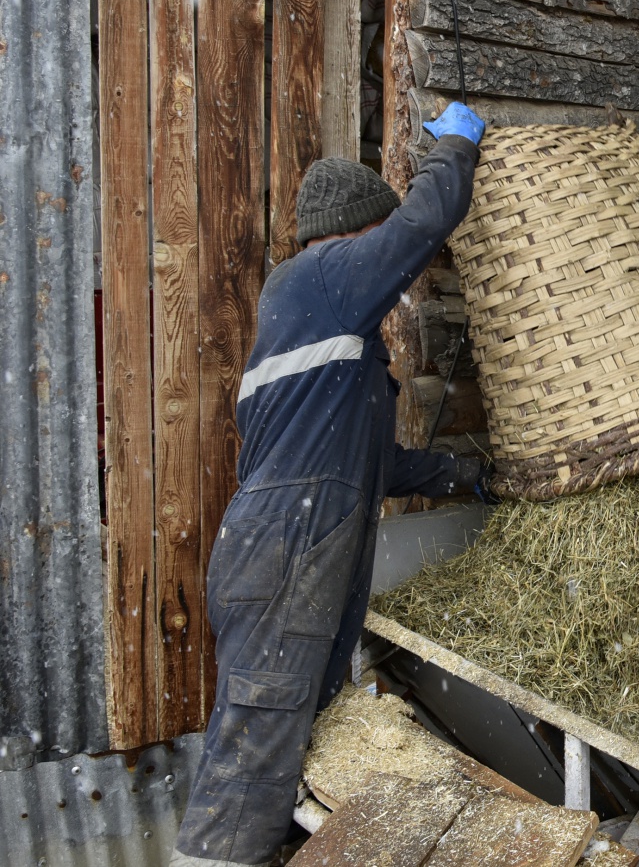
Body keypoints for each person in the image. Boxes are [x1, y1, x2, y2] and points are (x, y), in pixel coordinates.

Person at [173, 103, 489, 867]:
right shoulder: (316, 279)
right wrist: (454, 145)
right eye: (372, 243)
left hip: (288, 558)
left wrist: (476, 478)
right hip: (283, 561)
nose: (387, 269)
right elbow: (424, 223)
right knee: (250, 765)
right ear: (351, 235)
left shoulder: (331, 344)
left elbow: (385, 466)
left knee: (280, 756)